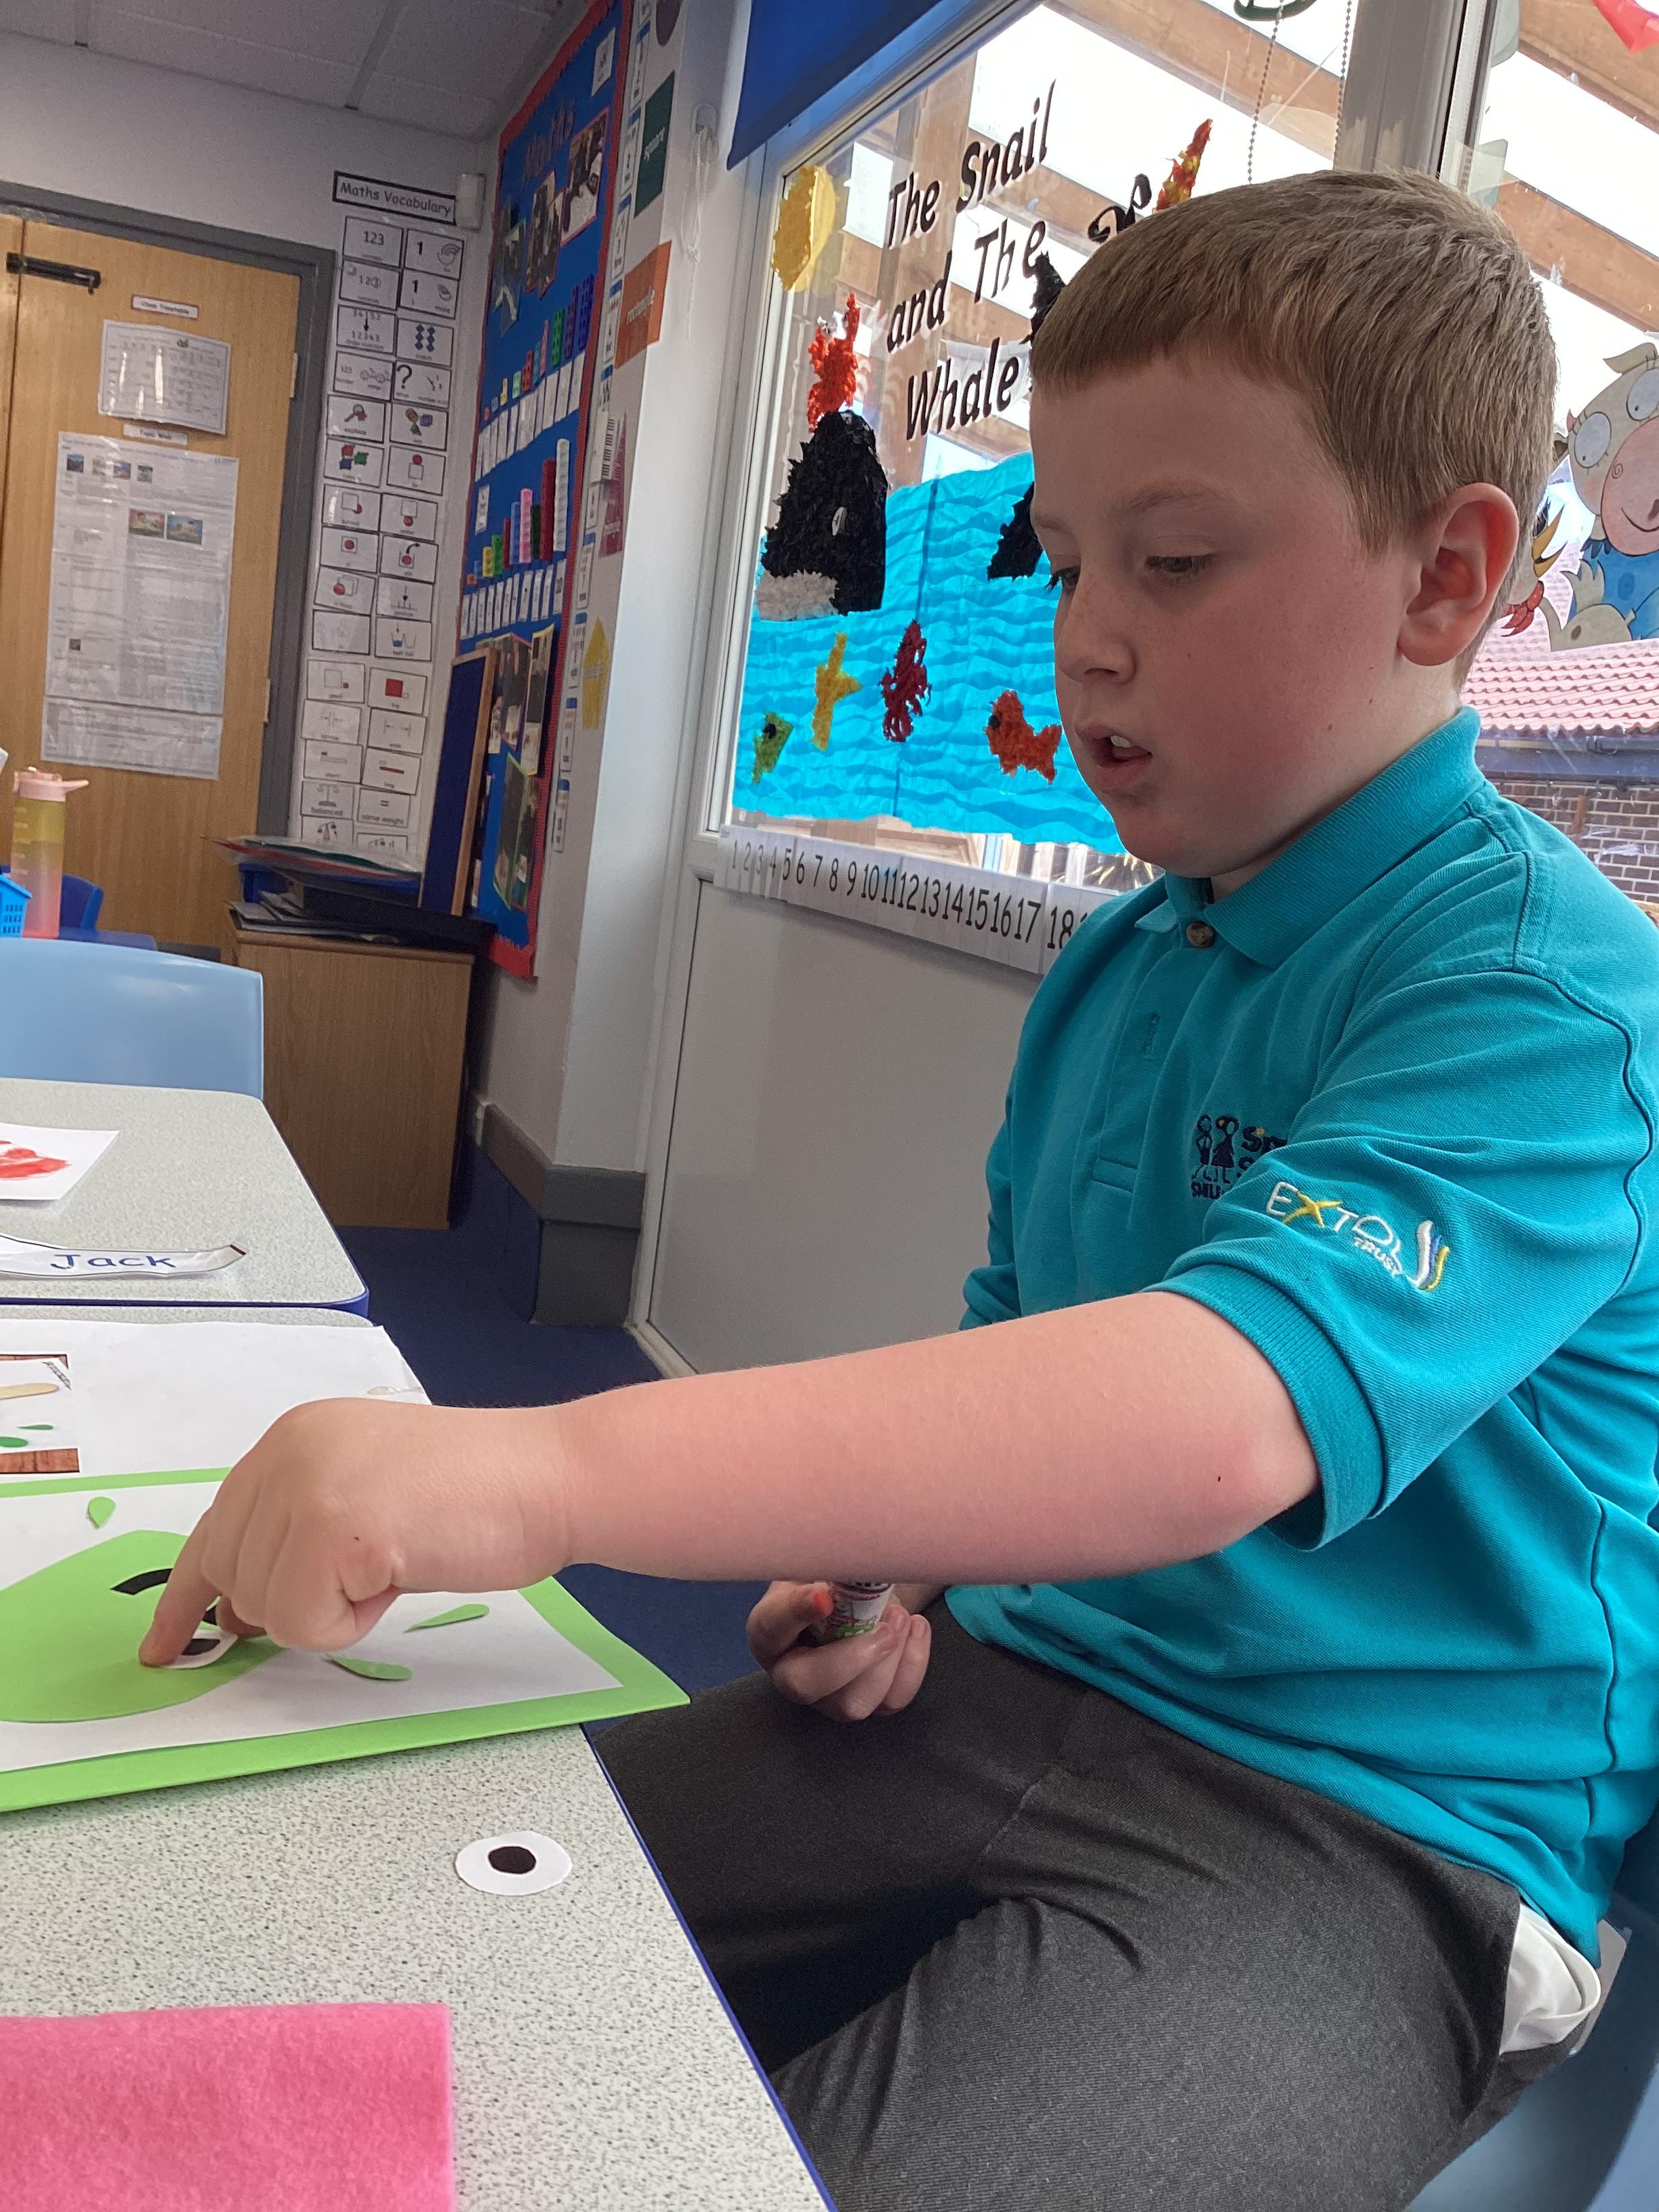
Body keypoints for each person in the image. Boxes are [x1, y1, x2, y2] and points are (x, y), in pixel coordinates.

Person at [143, 169, 1659, 2209]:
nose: (1088, 637)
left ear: (1449, 580)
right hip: (1017, 1689)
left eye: (1176, 562)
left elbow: (1208, 1417)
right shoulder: (1123, 967)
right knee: (332, 1944)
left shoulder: (1548, 998)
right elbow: (1030, 1357)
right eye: (1069, 559)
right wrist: (907, 1562)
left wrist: (539, 1471)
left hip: (1378, 1838)